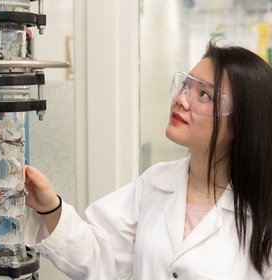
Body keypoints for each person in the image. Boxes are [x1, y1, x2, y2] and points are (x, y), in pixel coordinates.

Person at [23, 40, 272, 279]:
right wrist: (50, 206)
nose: (181, 100)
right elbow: (99, 257)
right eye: (185, 86)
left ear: (242, 123)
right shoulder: (156, 182)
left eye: (204, 94)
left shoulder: (263, 214)